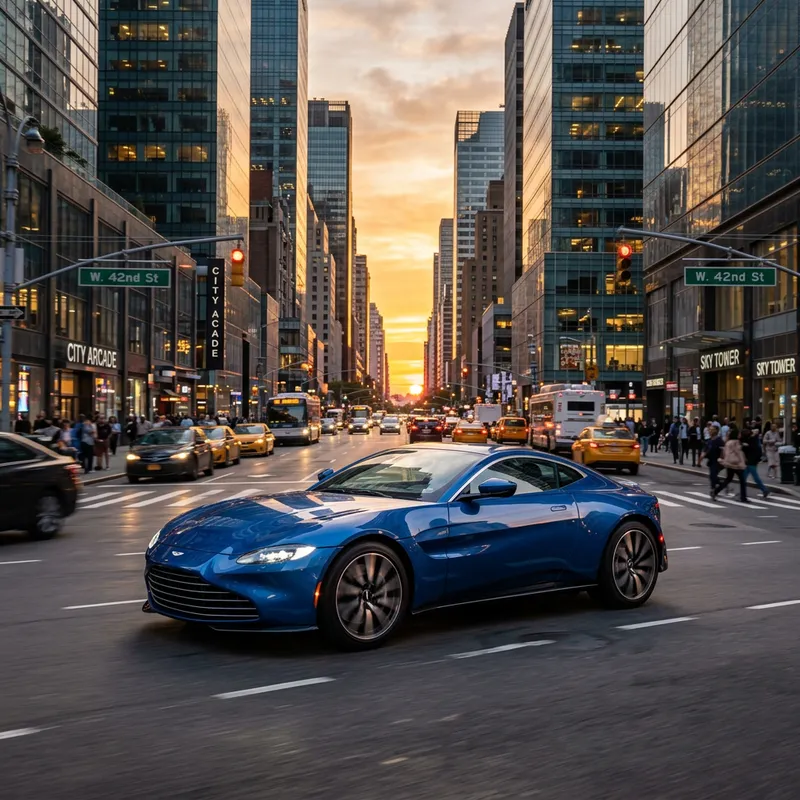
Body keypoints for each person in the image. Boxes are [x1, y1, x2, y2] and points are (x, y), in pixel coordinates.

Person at [712, 429, 748, 502]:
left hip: (728, 463)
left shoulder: (728, 442)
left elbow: (725, 452)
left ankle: (715, 491)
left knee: (728, 479)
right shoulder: (736, 442)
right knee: (742, 480)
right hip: (735, 464)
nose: (739, 435)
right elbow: (738, 452)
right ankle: (743, 497)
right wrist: (743, 463)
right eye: (738, 434)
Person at [741, 428, 769, 500]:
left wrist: (746, 446)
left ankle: (764, 489)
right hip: (751, 461)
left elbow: (751, 449)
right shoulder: (754, 440)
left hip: (750, 461)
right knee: (745, 477)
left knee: (754, 477)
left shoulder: (751, 441)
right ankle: (742, 492)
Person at [699, 423, 723, 495]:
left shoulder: (719, 440)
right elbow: (704, 451)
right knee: (712, 476)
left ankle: (714, 489)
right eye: (709, 430)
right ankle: (720, 485)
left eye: (711, 430)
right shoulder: (709, 441)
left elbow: (723, 450)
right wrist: (700, 460)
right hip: (711, 461)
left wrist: (722, 458)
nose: (709, 432)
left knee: (713, 476)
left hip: (718, 461)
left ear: (715, 432)